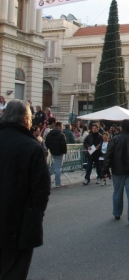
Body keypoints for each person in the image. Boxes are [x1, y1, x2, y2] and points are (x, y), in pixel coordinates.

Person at [0, 100, 50, 279]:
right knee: (15, 271)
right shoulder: (32, 147)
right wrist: (35, 215)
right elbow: (41, 190)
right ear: (25, 119)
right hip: (20, 224)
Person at [104, 119, 129, 226]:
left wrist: (105, 169)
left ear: (121, 128)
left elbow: (108, 155)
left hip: (117, 170)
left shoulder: (115, 140)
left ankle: (117, 213)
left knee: (117, 192)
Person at [45, 121, 67, 188]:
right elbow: (63, 145)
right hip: (59, 152)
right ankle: (58, 183)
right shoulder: (61, 135)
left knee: (55, 165)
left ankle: (48, 175)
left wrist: (50, 148)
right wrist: (64, 151)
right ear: (60, 126)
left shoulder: (49, 134)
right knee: (58, 167)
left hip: (53, 151)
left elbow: (46, 143)